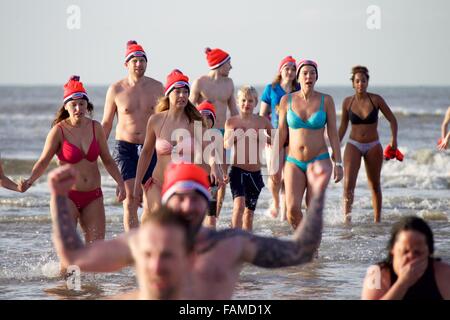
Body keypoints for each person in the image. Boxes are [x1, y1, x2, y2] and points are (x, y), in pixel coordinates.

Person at [50, 161, 328, 299]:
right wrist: (59, 199)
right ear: (167, 202)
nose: (187, 205)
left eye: (196, 198)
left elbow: (300, 252)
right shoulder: (142, 242)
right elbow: (75, 257)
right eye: (179, 198)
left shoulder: (231, 245)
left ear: (206, 201)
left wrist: (317, 195)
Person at [20, 76, 125, 243]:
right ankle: (60, 271)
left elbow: (107, 159)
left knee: (96, 251)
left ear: (87, 105)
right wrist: (29, 181)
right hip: (67, 196)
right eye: (73, 104)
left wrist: (120, 183)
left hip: (94, 196)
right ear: (66, 107)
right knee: (69, 254)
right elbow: (43, 161)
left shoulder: (95, 127)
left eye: (82, 104)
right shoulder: (58, 131)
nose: (78, 108)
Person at [134, 69, 222, 220]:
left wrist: (215, 166)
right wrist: (136, 185)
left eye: (185, 92)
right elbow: (146, 153)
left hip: (182, 186)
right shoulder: (155, 120)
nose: (182, 95)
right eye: (178, 91)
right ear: (168, 94)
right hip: (157, 182)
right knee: (157, 221)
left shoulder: (195, 122)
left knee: (176, 226)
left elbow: (210, 150)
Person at [101, 40, 164, 231]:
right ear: (126, 64)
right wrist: (97, 148)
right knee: (130, 200)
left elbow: (166, 119)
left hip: (150, 148)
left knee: (152, 203)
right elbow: (107, 123)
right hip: (125, 149)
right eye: (134, 61)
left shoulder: (157, 87)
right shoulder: (116, 90)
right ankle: (132, 248)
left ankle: (146, 241)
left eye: (142, 60)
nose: (139, 64)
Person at [276, 59, 343, 229]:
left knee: (312, 210)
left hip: (319, 160)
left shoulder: (326, 100)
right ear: (298, 77)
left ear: (316, 77)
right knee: (291, 210)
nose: (309, 76)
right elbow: (282, 132)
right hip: (293, 161)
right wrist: (274, 163)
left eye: (312, 73)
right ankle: (304, 242)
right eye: (305, 73)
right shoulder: (286, 100)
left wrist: (339, 162)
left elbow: (333, 133)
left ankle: (313, 250)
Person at [338, 66, 398, 223]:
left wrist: (394, 140)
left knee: (375, 184)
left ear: (367, 82)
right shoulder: (347, 102)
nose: (360, 84)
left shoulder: (376, 99)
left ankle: (377, 221)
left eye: (363, 81)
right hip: (353, 144)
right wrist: (335, 146)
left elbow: (392, 119)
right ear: (353, 83)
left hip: (373, 145)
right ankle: (346, 220)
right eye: (357, 81)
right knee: (348, 186)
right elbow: (343, 127)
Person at [190, 47, 239, 220]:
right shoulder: (200, 83)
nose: (231, 67)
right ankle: (200, 213)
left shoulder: (229, 84)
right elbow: (188, 109)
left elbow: (234, 111)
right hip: (203, 133)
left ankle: (214, 217)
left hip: (222, 133)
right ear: (219, 64)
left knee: (223, 176)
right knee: (204, 173)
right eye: (228, 63)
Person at [361, 216, 450, 300]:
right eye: (405, 251)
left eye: (417, 252)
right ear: (392, 249)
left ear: (429, 252)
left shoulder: (443, 273)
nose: (411, 257)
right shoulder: (377, 274)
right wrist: (403, 282)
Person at [224, 86, 273, 231]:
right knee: (238, 206)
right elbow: (225, 144)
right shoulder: (232, 122)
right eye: (243, 100)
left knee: (249, 214)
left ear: (256, 102)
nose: (247, 104)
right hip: (237, 171)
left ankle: (246, 245)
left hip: (255, 173)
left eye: (250, 101)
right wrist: (233, 137)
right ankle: (234, 238)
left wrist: (263, 137)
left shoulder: (262, 122)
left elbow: (276, 139)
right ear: (238, 102)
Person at [259, 56, 300, 220]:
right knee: (275, 175)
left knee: (288, 175)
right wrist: (265, 134)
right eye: (287, 68)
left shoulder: (299, 89)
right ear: (280, 70)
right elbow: (263, 115)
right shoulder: (271, 89)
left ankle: (284, 211)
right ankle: (275, 202)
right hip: (274, 135)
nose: (290, 72)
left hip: (294, 136)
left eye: (292, 69)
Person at [196, 100, 220, 229]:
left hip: (212, 180)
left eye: (208, 117)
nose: (205, 120)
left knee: (211, 217)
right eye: (202, 117)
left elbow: (218, 160)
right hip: (196, 179)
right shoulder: (192, 136)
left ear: (213, 120)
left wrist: (222, 174)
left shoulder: (216, 137)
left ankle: (211, 244)